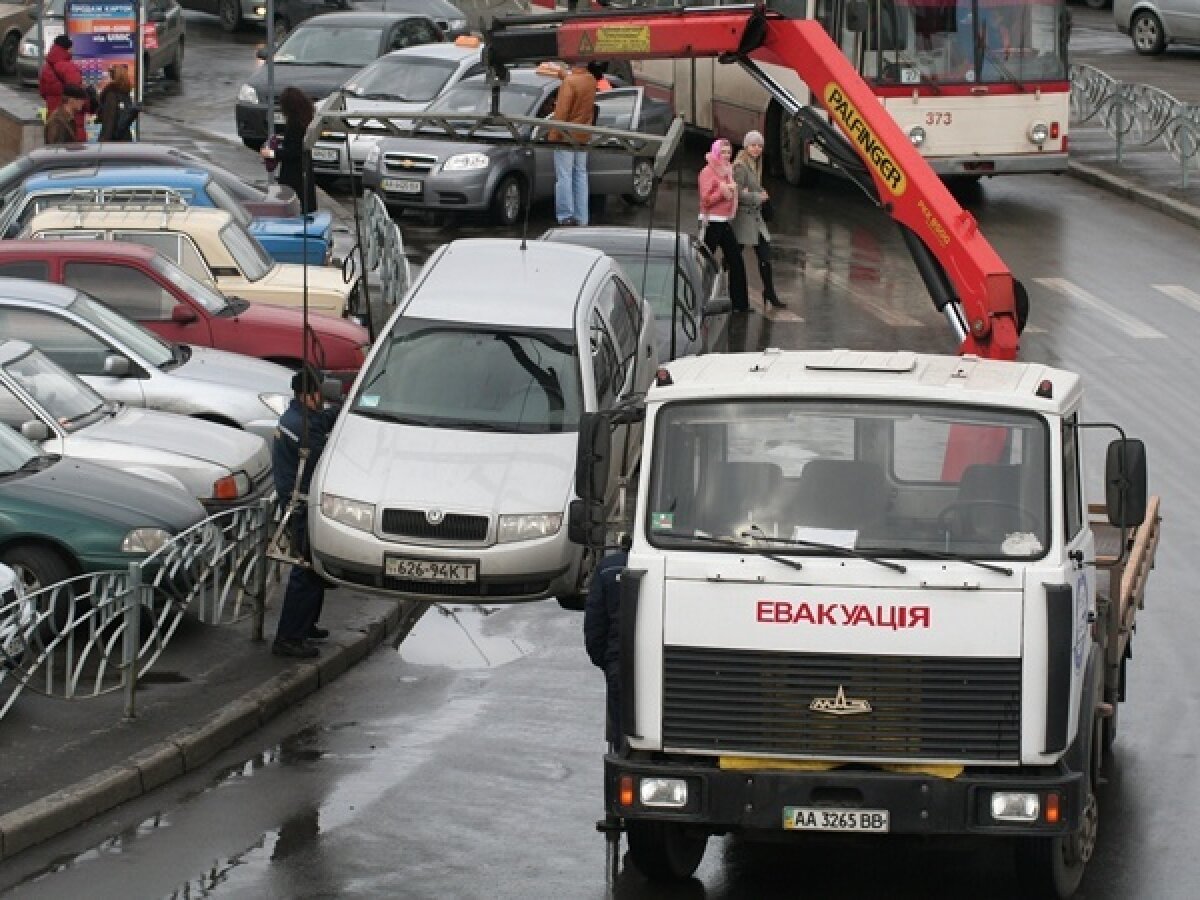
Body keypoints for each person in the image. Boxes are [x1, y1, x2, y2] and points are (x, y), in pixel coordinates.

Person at [272, 365, 341, 658]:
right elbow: (323, 456)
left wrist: (341, 410)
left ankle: (306, 625)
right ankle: (289, 637)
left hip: (294, 500)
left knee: (312, 570)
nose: (323, 399)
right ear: (307, 394)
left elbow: (320, 419)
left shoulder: (295, 417)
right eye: (319, 393)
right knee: (306, 571)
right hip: (300, 505)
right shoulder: (303, 428)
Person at [584, 545, 630, 748]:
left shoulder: (609, 569)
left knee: (623, 737)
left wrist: (608, 662)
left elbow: (595, 628)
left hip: (620, 663)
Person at [732, 130, 784, 308]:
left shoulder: (755, 164)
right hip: (743, 219)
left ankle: (769, 292)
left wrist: (758, 194)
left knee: (765, 256)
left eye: (760, 146)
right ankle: (725, 289)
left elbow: (751, 188)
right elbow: (736, 194)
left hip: (755, 219)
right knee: (734, 256)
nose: (757, 149)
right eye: (753, 145)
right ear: (746, 146)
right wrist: (757, 197)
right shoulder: (740, 166)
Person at [698, 138, 749, 313]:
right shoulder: (707, 172)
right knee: (704, 262)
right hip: (712, 221)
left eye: (729, 152)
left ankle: (740, 304)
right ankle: (698, 300)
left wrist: (734, 190)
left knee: (736, 261)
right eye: (723, 153)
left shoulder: (727, 170)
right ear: (716, 153)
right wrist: (724, 191)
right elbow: (705, 200)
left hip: (724, 220)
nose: (727, 156)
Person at [547, 62, 597, 226]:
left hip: (566, 137)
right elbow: (577, 85)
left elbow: (561, 112)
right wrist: (563, 75)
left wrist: (553, 135)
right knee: (581, 175)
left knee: (564, 176)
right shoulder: (590, 80)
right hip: (583, 135)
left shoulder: (570, 82)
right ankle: (582, 217)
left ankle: (565, 216)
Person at [261, 86, 318, 214]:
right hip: (304, 170)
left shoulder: (295, 125)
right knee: (306, 204)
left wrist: (270, 153)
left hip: (293, 174)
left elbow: (292, 152)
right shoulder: (305, 120)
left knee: (287, 205)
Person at [39, 35, 91, 143]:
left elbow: (43, 93)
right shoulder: (68, 68)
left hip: (53, 118)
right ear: (68, 48)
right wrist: (88, 104)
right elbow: (77, 93)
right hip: (71, 120)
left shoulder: (46, 68)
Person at [97, 65, 138, 142]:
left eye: (110, 75)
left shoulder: (111, 94)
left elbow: (109, 120)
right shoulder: (125, 94)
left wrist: (103, 141)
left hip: (113, 140)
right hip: (125, 138)